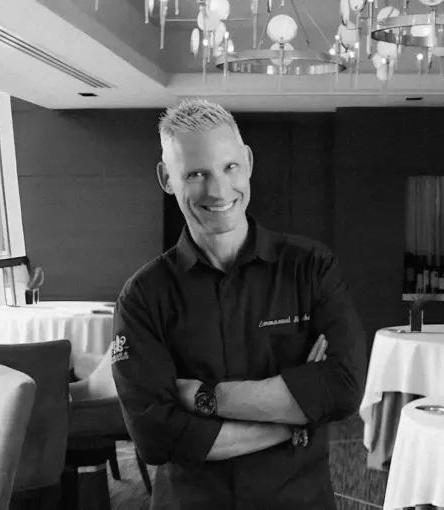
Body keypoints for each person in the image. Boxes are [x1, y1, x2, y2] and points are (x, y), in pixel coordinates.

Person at [111, 98, 367, 509]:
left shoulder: (311, 267)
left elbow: (343, 389)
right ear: (166, 178)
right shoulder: (143, 297)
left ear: (247, 162)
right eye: (195, 174)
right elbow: (156, 436)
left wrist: (202, 397)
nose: (217, 190)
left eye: (229, 167)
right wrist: (294, 420)